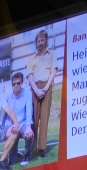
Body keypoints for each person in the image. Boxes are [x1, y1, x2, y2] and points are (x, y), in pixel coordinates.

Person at [26, 29, 57, 160]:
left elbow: (54, 72)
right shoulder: (31, 58)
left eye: (42, 40)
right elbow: (29, 76)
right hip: (34, 88)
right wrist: (37, 90)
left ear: (46, 41)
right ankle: (32, 148)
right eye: (38, 41)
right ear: (36, 42)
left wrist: (45, 87)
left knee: (44, 118)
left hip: (46, 86)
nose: (40, 43)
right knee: (34, 119)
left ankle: (42, 148)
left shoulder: (52, 54)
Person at [0, 70, 36, 169]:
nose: (15, 85)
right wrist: (9, 128)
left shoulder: (27, 93)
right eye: (13, 84)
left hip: (23, 123)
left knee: (29, 134)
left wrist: (28, 127)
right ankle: (13, 155)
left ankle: (27, 154)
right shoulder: (7, 96)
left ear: (22, 83)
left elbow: (29, 111)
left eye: (18, 83)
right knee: (12, 162)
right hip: (11, 125)